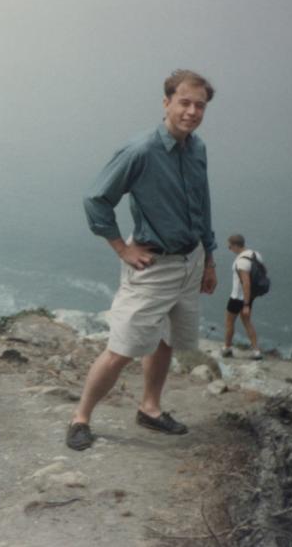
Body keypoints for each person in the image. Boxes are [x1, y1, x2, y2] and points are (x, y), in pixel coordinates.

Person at [67, 69, 218, 451]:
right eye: (184, 102)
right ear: (166, 102)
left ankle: (149, 408)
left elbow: (203, 206)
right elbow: (95, 198)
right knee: (121, 347)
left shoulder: (197, 148)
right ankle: (80, 417)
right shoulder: (141, 150)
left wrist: (210, 259)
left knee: (165, 339)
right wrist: (122, 248)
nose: (191, 111)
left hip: (190, 261)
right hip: (153, 264)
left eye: (199, 105)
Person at [222, 234, 263, 360]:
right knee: (247, 322)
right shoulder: (255, 255)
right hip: (249, 297)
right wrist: (248, 302)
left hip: (237, 298)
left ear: (235, 245)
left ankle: (227, 348)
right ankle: (256, 351)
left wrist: (245, 305)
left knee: (229, 322)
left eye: (229, 246)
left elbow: (246, 283)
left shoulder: (241, 262)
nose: (229, 249)